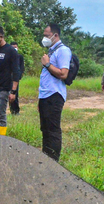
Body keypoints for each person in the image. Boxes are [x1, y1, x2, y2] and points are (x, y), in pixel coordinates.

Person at [38, 23, 71, 161]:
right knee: (45, 129)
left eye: (47, 35)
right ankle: (46, 158)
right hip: (45, 95)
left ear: (55, 35)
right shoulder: (52, 50)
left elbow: (64, 74)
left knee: (52, 129)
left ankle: (53, 160)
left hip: (54, 95)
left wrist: (47, 64)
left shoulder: (63, 51)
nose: (44, 38)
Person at [9, 42, 25, 115]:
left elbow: (22, 67)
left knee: (15, 95)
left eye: (15, 47)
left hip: (15, 79)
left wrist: (19, 76)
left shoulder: (20, 57)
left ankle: (16, 111)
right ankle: (11, 110)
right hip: (8, 78)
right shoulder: (8, 56)